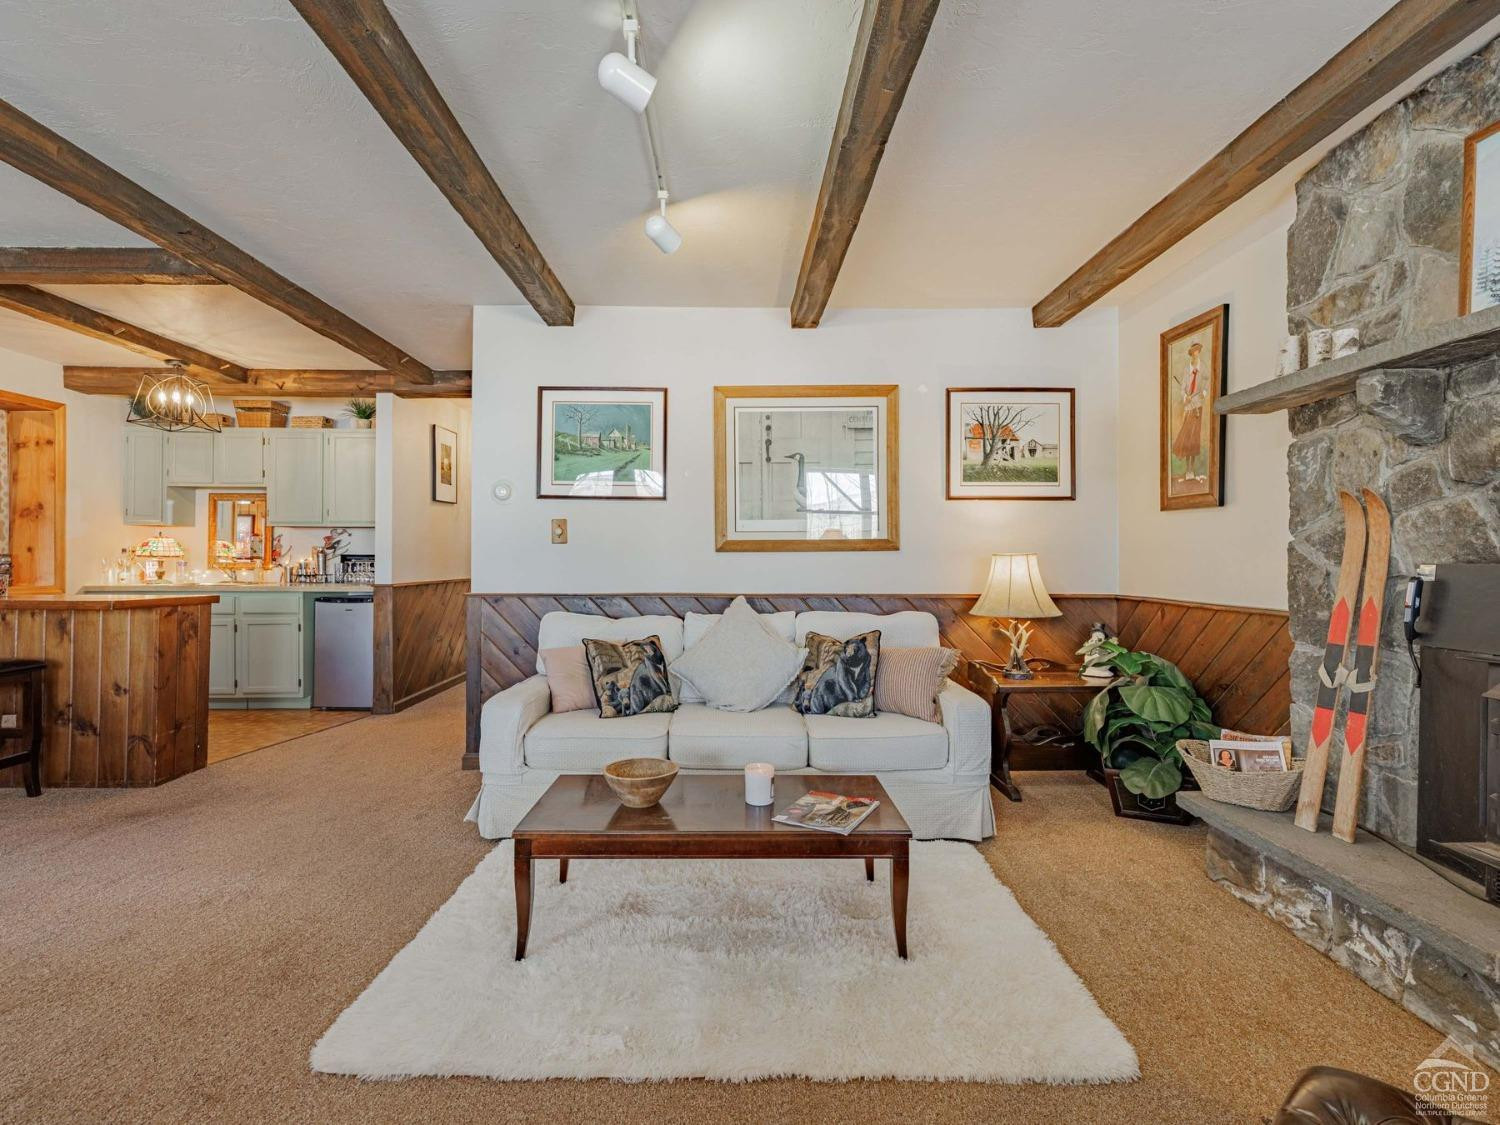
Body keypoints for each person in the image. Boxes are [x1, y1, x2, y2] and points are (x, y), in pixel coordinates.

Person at [1172, 340, 1207, 482]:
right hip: (1189, 407)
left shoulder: (1203, 369)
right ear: (1191, 355)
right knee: (1187, 437)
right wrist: (1186, 397)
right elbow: (1183, 389)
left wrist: (1203, 393)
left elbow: (1206, 385)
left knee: (1194, 438)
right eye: (1193, 353)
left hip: (1198, 406)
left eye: (1197, 352)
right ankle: (1187, 470)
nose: (1195, 355)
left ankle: (1192, 469)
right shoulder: (1186, 371)